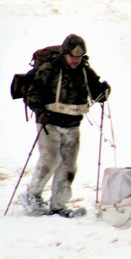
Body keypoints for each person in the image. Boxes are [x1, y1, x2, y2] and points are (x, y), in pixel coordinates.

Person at [21, 34, 109, 217]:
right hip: (49, 123)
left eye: (78, 57)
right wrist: (40, 112)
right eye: (72, 56)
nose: (75, 60)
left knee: (68, 165)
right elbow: (33, 93)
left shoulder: (85, 70)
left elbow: (96, 92)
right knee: (50, 160)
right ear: (64, 54)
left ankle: (59, 204)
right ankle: (31, 195)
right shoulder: (50, 69)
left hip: (73, 125)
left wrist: (103, 91)